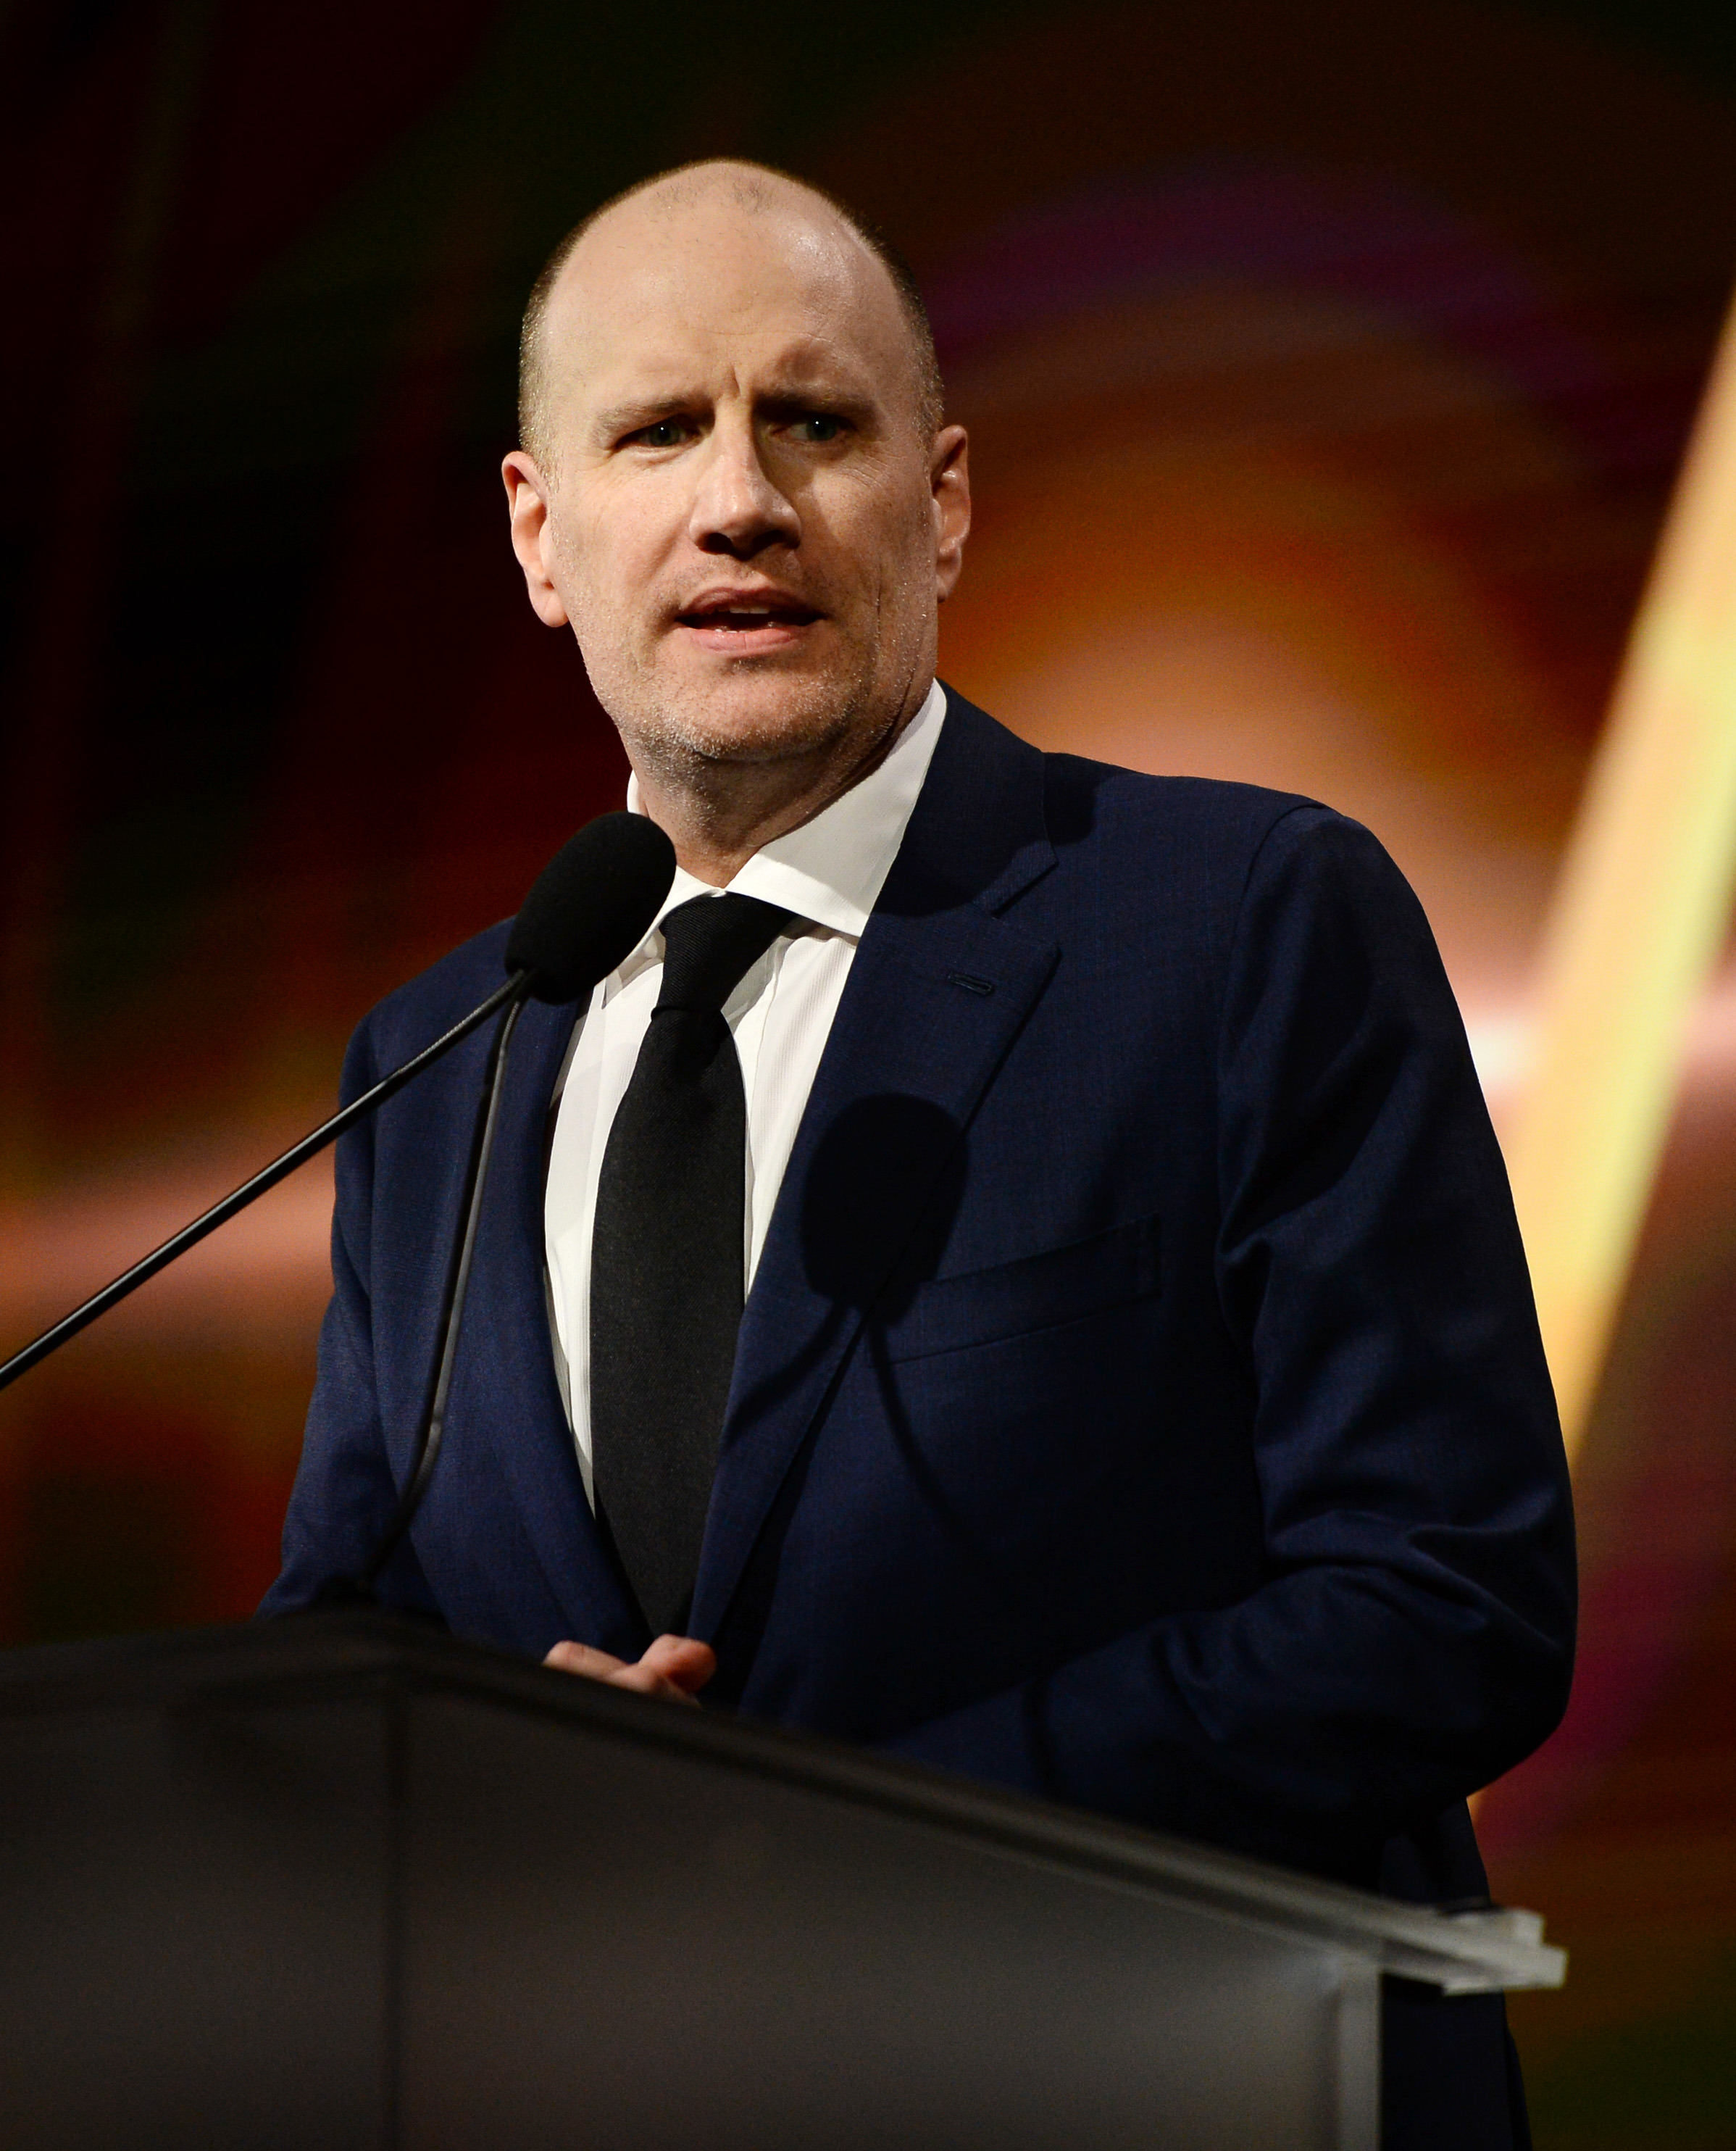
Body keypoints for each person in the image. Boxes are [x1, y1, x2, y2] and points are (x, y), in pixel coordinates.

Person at [264, 159, 1575, 2145]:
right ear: (540, 533)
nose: (739, 500)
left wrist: (801, 1838)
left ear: (942, 502)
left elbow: (1441, 1601)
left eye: (811, 421)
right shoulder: (436, 1063)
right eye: (656, 430)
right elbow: (339, 1652)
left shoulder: (1235, 925)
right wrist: (482, 1802)